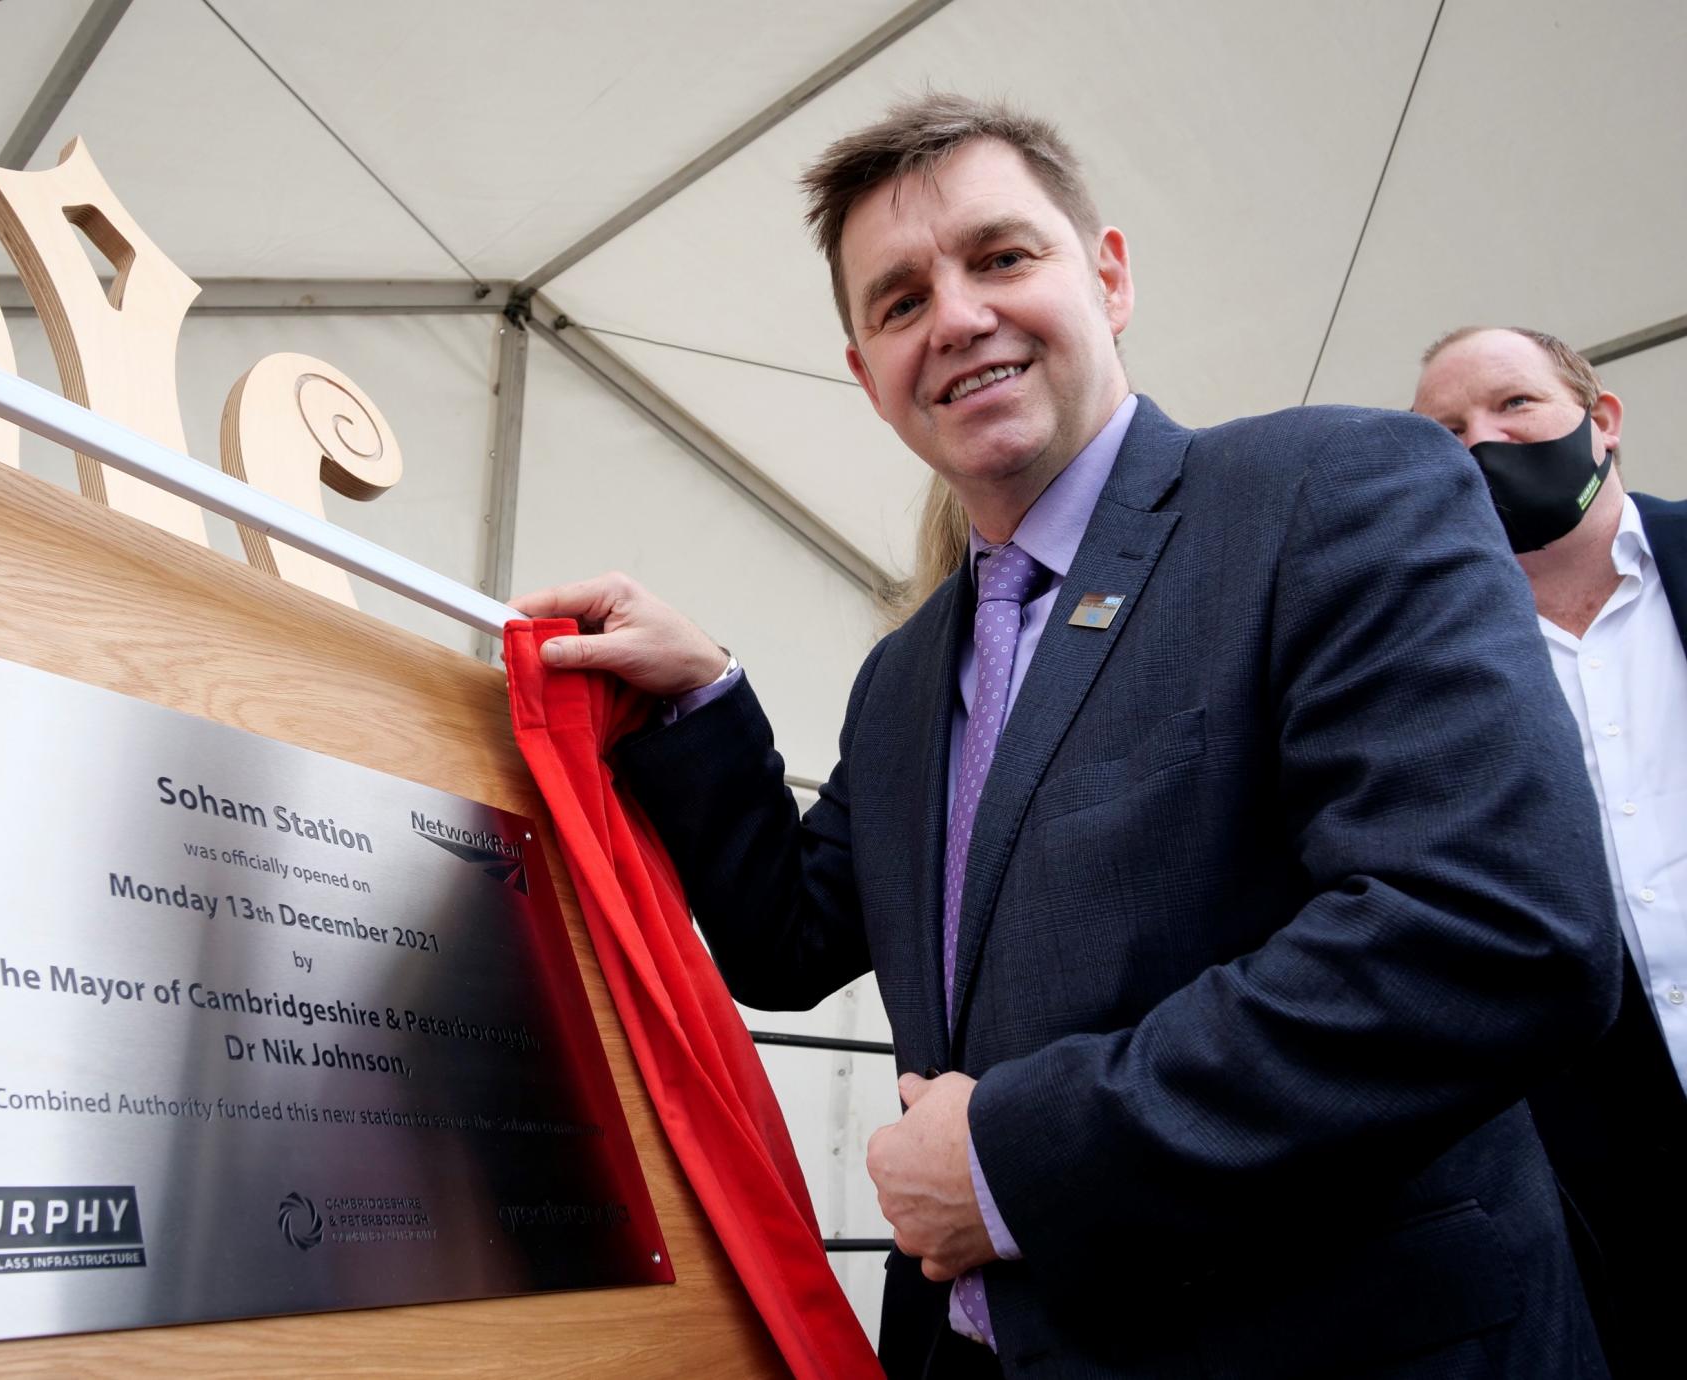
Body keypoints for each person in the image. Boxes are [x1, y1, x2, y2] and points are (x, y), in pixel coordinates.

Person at [514, 96, 1619, 1377]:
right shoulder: (901, 678)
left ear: (1106, 275)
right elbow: (788, 941)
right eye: (898, 302)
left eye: (999, 257)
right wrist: (703, 702)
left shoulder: (1332, 491)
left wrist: (1007, 1159)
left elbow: (1491, 934)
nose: (958, 318)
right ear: (869, 380)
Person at [1414, 325, 1687, 1379]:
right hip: (1597, 1184)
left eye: (1512, 406)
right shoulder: (1422, 667)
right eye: (1443, 433)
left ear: (1600, 422)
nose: (1480, 445)